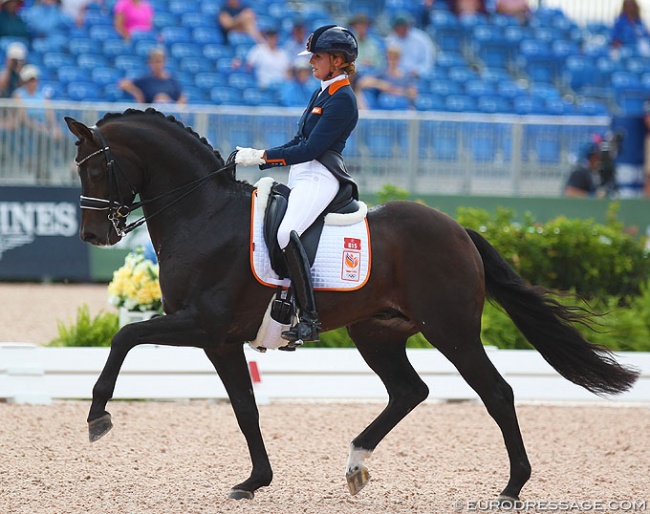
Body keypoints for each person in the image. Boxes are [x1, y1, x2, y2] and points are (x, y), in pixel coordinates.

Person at [234, 25, 360, 345]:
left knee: (284, 232)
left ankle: (310, 319)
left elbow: (310, 149)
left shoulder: (343, 98)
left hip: (321, 175)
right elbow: (299, 140)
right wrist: (261, 155)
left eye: (316, 57)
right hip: (303, 173)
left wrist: (262, 156)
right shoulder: (322, 92)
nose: (310, 62)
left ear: (337, 60)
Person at [11, 64, 62, 179]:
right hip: (26, 128)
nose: (33, 82)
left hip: (42, 127)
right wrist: (39, 128)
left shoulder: (42, 95)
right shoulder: (18, 94)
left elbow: (50, 113)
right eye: (30, 80)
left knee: (62, 137)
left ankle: (68, 166)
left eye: (34, 79)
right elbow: (23, 118)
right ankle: (39, 167)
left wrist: (54, 127)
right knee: (42, 137)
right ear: (24, 81)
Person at [356, 45, 418, 109]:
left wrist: (394, 90)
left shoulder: (406, 76)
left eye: (395, 58)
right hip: (383, 109)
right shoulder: (382, 73)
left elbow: (413, 93)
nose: (392, 61)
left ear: (399, 59)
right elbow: (362, 83)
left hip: (401, 110)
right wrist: (381, 85)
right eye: (390, 57)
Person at [118, 47, 186, 104]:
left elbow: (181, 98)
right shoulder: (145, 80)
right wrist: (138, 93)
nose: (157, 65)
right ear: (149, 63)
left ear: (164, 62)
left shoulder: (172, 81)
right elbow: (123, 84)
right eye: (154, 62)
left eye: (159, 61)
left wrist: (168, 102)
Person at [384, 12, 435, 78]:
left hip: (417, 77)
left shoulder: (421, 39)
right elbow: (387, 62)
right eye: (397, 27)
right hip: (396, 77)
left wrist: (419, 71)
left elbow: (428, 62)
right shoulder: (390, 40)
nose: (400, 29)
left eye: (403, 26)